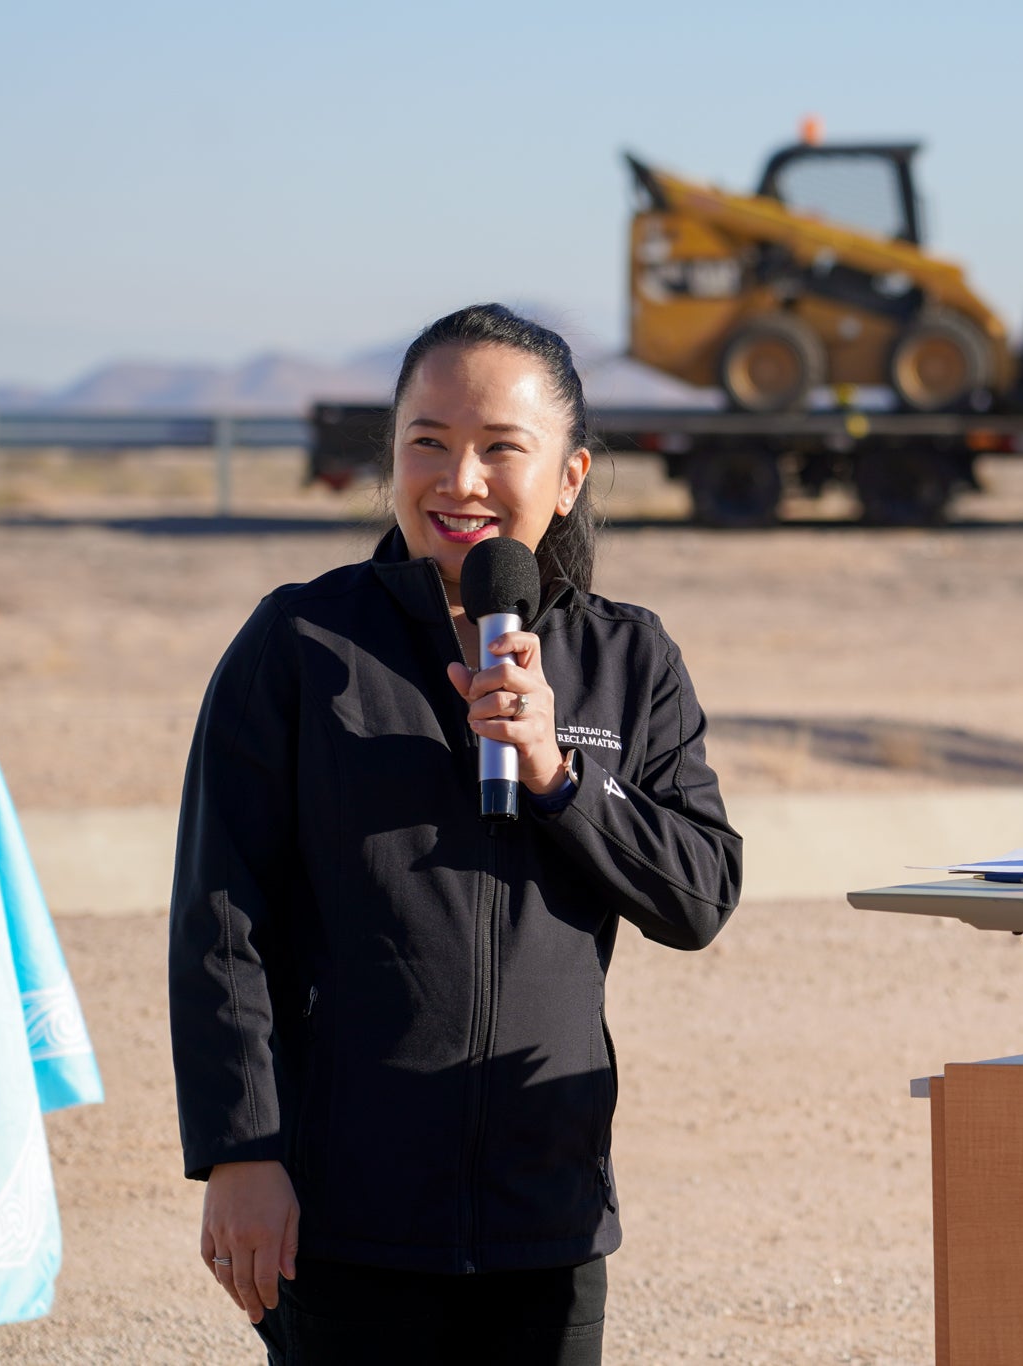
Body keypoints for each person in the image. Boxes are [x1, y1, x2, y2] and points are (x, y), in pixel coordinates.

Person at [168, 304, 742, 1364]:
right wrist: (238, 1153)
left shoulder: (628, 658)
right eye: (425, 443)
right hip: (346, 1212)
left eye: (498, 448)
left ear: (569, 475)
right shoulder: (297, 644)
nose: (459, 479)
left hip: (547, 1211)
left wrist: (559, 778)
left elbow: (700, 890)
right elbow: (219, 914)